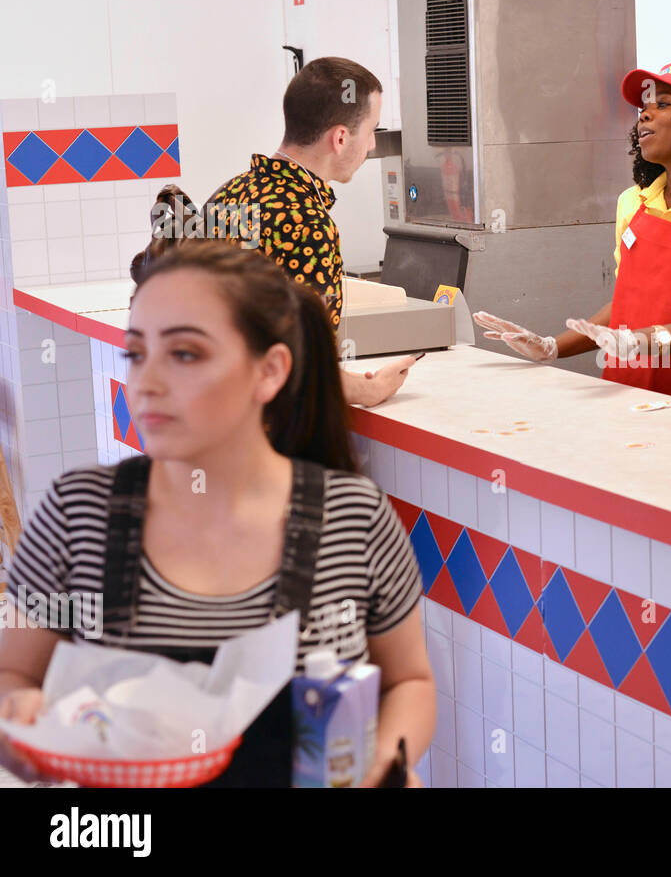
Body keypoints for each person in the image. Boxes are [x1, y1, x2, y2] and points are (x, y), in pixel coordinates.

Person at [0, 244, 435, 787]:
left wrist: (383, 765)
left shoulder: (354, 517)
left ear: (269, 371)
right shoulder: (77, 512)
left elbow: (409, 682)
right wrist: (20, 718)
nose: (147, 382)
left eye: (184, 354)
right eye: (137, 354)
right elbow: (14, 671)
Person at [473, 63, 671, 405]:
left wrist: (644, 341)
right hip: (627, 394)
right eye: (643, 108)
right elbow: (629, 302)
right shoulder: (633, 202)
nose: (644, 116)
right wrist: (553, 346)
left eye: (663, 104)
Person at [207, 56, 417, 408]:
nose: (371, 146)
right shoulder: (307, 223)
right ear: (339, 138)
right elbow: (303, 360)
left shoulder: (230, 193)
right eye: (371, 132)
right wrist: (371, 389)